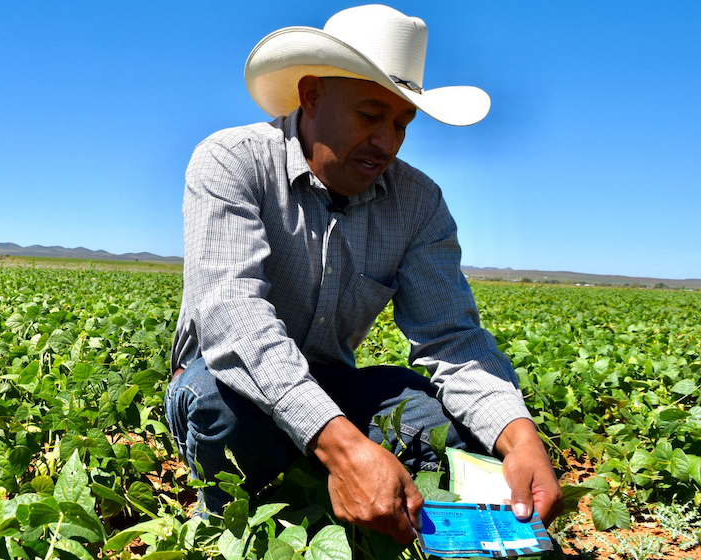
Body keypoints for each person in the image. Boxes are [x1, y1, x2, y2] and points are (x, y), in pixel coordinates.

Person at [166, 4, 563, 544]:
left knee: (444, 426)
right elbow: (235, 323)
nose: (387, 142)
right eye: (370, 115)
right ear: (311, 96)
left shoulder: (418, 203)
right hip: (222, 378)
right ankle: (232, 527)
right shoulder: (231, 162)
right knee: (226, 410)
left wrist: (519, 438)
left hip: (332, 382)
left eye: (402, 123)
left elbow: (451, 337)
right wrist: (348, 451)